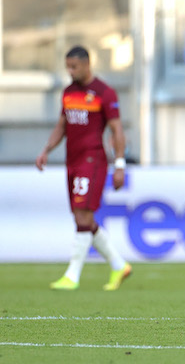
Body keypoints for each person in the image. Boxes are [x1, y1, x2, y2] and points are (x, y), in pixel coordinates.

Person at [36, 46, 132, 291]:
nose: (70, 71)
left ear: (87, 64)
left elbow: (117, 131)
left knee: (82, 214)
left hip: (93, 161)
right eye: (67, 66)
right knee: (83, 217)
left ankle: (72, 275)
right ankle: (119, 265)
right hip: (73, 161)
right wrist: (47, 150)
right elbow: (62, 125)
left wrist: (119, 165)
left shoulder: (104, 93)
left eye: (74, 66)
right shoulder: (69, 92)